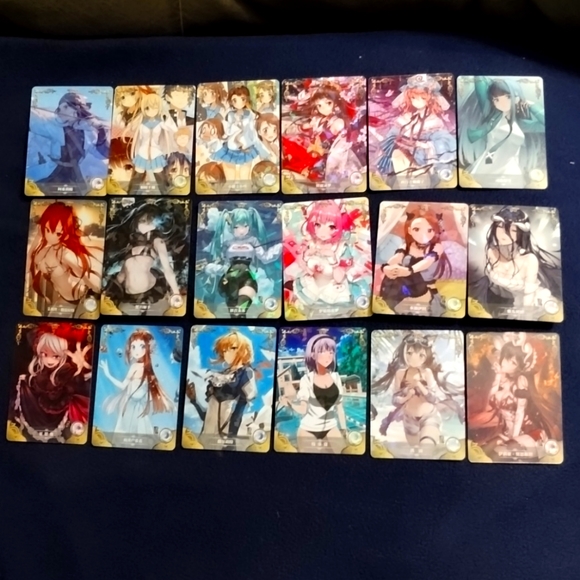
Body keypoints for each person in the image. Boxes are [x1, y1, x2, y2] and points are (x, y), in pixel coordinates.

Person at [468, 333, 561, 458]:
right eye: (505, 357)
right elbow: (489, 402)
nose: (504, 363)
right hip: (507, 433)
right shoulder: (501, 380)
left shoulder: (521, 382)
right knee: (481, 453)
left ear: (520, 368)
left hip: (529, 432)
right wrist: (498, 376)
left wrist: (514, 437)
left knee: (496, 455)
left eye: (512, 362)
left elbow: (520, 413)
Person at [373, 332, 463, 449]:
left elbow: (434, 399)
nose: (414, 358)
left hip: (429, 416)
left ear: (426, 356)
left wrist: (419, 385)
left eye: (421, 355)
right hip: (409, 420)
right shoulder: (400, 374)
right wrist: (406, 396)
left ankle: (436, 437)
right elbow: (394, 400)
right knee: (415, 452)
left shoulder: (427, 373)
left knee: (426, 449)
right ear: (404, 353)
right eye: (409, 353)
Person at [470, 206, 561, 319]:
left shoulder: (529, 259)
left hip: (531, 301)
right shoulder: (491, 252)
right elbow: (495, 288)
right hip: (504, 301)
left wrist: (526, 316)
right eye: (499, 227)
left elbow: (528, 294)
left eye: (513, 230)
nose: (503, 233)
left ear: (521, 234)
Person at [459, 76, 545, 187]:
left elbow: (545, 124)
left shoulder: (521, 124)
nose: (502, 103)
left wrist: (531, 105)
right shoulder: (490, 117)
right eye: (496, 99)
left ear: (517, 97)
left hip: (511, 170)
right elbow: (479, 80)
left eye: (508, 97)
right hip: (489, 165)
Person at [103, 201, 187, 313]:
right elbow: (123, 273)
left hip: (149, 294)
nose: (144, 224)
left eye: (149, 221)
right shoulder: (130, 243)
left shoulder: (157, 241)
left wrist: (176, 292)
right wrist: (108, 291)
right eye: (142, 221)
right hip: (127, 296)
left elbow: (167, 269)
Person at [373, 74, 456, 187]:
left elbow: (443, 141)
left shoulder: (434, 121)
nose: (417, 101)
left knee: (421, 179)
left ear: (430, 99)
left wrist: (422, 145)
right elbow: (392, 135)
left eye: (423, 98)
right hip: (403, 157)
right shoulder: (406, 118)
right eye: (413, 98)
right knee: (397, 156)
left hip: (423, 159)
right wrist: (397, 141)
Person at [285, 200, 368, 314]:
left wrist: (333, 259)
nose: (322, 232)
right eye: (317, 225)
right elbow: (308, 270)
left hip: (333, 290)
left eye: (331, 226)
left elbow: (339, 279)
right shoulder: (311, 243)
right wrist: (306, 256)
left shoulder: (341, 248)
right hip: (311, 286)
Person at [10, 330, 91, 443]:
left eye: (56, 356)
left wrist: (78, 369)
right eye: (44, 354)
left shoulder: (67, 372)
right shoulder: (34, 376)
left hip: (65, 429)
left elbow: (79, 386)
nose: (49, 359)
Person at [202, 206, 281, 318]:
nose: (242, 230)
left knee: (240, 311)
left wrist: (280, 246)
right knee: (234, 313)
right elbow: (224, 264)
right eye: (237, 227)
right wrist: (212, 268)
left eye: (245, 226)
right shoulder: (227, 243)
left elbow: (265, 257)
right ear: (231, 227)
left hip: (247, 277)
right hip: (230, 278)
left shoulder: (253, 241)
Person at [28, 91, 109, 195]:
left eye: (66, 107)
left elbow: (102, 154)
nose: (61, 111)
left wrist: (101, 131)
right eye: (60, 108)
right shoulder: (54, 125)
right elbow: (34, 121)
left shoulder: (88, 131)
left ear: (78, 109)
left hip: (75, 175)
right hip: (53, 172)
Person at [28, 201, 102, 315]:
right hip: (64, 301)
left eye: (58, 233)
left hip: (81, 302)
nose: (50, 236)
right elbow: (29, 265)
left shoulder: (66, 254)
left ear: (66, 234)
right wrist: (37, 237)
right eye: (47, 229)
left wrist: (93, 292)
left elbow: (95, 285)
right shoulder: (46, 251)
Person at [279, 334, 347, 453]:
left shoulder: (336, 378)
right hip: (308, 429)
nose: (328, 355)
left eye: (331, 352)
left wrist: (344, 429)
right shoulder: (306, 380)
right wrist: (290, 403)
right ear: (313, 355)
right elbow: (303, 409)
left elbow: (340, 408)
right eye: (322, 351)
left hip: (331, 427)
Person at [100, 329, 173, 436]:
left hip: (138, 405)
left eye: (142, 346)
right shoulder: (135, 366)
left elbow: (150, 387)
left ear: (148, 348)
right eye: (133, 347)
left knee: (139, 431)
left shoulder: (148, 368)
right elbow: (124, 386)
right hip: (130, 404)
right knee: (127, 431)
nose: (136, 351)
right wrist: (108, 375)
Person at [379, 212, 451, 316]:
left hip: (425, 291)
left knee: (408, 275)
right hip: (405, 289)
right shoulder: (406, 246)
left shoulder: (436, 247)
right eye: (416, 229)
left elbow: (427, 262)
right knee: (395, 273)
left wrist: (409, 271)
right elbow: (397, 257)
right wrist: (385, 267)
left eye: (429, 230)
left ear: (435, 231)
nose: (422, 234)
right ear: (409, 230)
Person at [191, 331, 257, 442]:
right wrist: (194, 401)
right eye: (224, 350)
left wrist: (230, 438)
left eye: (233, 348)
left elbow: (239, 412)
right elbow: (208, 415)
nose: (227, 353)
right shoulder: (219, 375)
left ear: (244, 350)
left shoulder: (246, 373)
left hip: (225, 437)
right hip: (206, 437)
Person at [211, 85, 274, 185]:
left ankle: (246, 191)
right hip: (231, 147)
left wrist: (260, 147)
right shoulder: (230, 114)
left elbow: (253, 132)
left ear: (247, 99)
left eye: (243, 99)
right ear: (231, 101)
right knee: (230, 176)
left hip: (247, 147)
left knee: (245, 175)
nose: (239, 102)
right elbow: (227, 131)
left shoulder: (250, 114)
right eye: (234, 100)